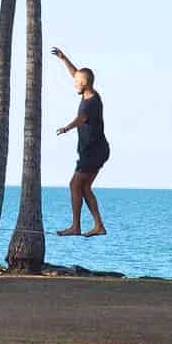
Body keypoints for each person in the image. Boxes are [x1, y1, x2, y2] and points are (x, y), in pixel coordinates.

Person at [51, 46, 109, 237]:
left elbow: (81, 119)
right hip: (94, 151)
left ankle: (76, 227)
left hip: (93, 151)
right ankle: (98, 226)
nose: (74, 83)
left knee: (75, 185)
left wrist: (66, 128)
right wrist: (63, 58)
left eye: (77, 82)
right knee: (83, 187)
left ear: (84, 83)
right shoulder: (88, 92)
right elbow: (76, 73)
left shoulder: (92, 102)